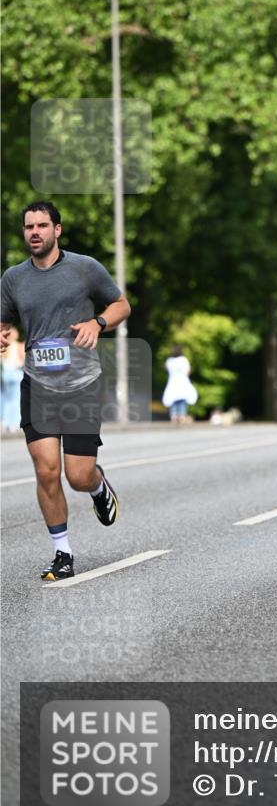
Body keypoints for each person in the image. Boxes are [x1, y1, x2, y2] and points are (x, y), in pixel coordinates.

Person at [0, 201, 131, 581]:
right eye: (29, 226)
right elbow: (4, 321)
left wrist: (98, 323)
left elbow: (122, 305)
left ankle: (97, 486)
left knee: (77, 475)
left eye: (42, 225)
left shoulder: (84, 268)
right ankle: (62, 552)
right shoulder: (13, 278)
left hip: (81, 385)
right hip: (38, 385)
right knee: (46, 471)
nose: (34, 232)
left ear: (57, 230)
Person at [162, 345, 197, 423]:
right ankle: (182, 416)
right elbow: (187, 371)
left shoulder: (169, 361)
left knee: (173, 400)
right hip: (182, 382)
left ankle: (173, 416)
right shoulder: (183, 360)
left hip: (172, 382)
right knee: (182, 401)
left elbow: (167, 369)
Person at [1, 326, 25, 432]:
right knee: (16, 398)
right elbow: (22, 359)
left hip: (6, 373)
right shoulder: (18, 345)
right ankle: (15, 423)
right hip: (16, 373)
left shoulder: (4, 346)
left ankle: (6, 422)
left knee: (7, 399)